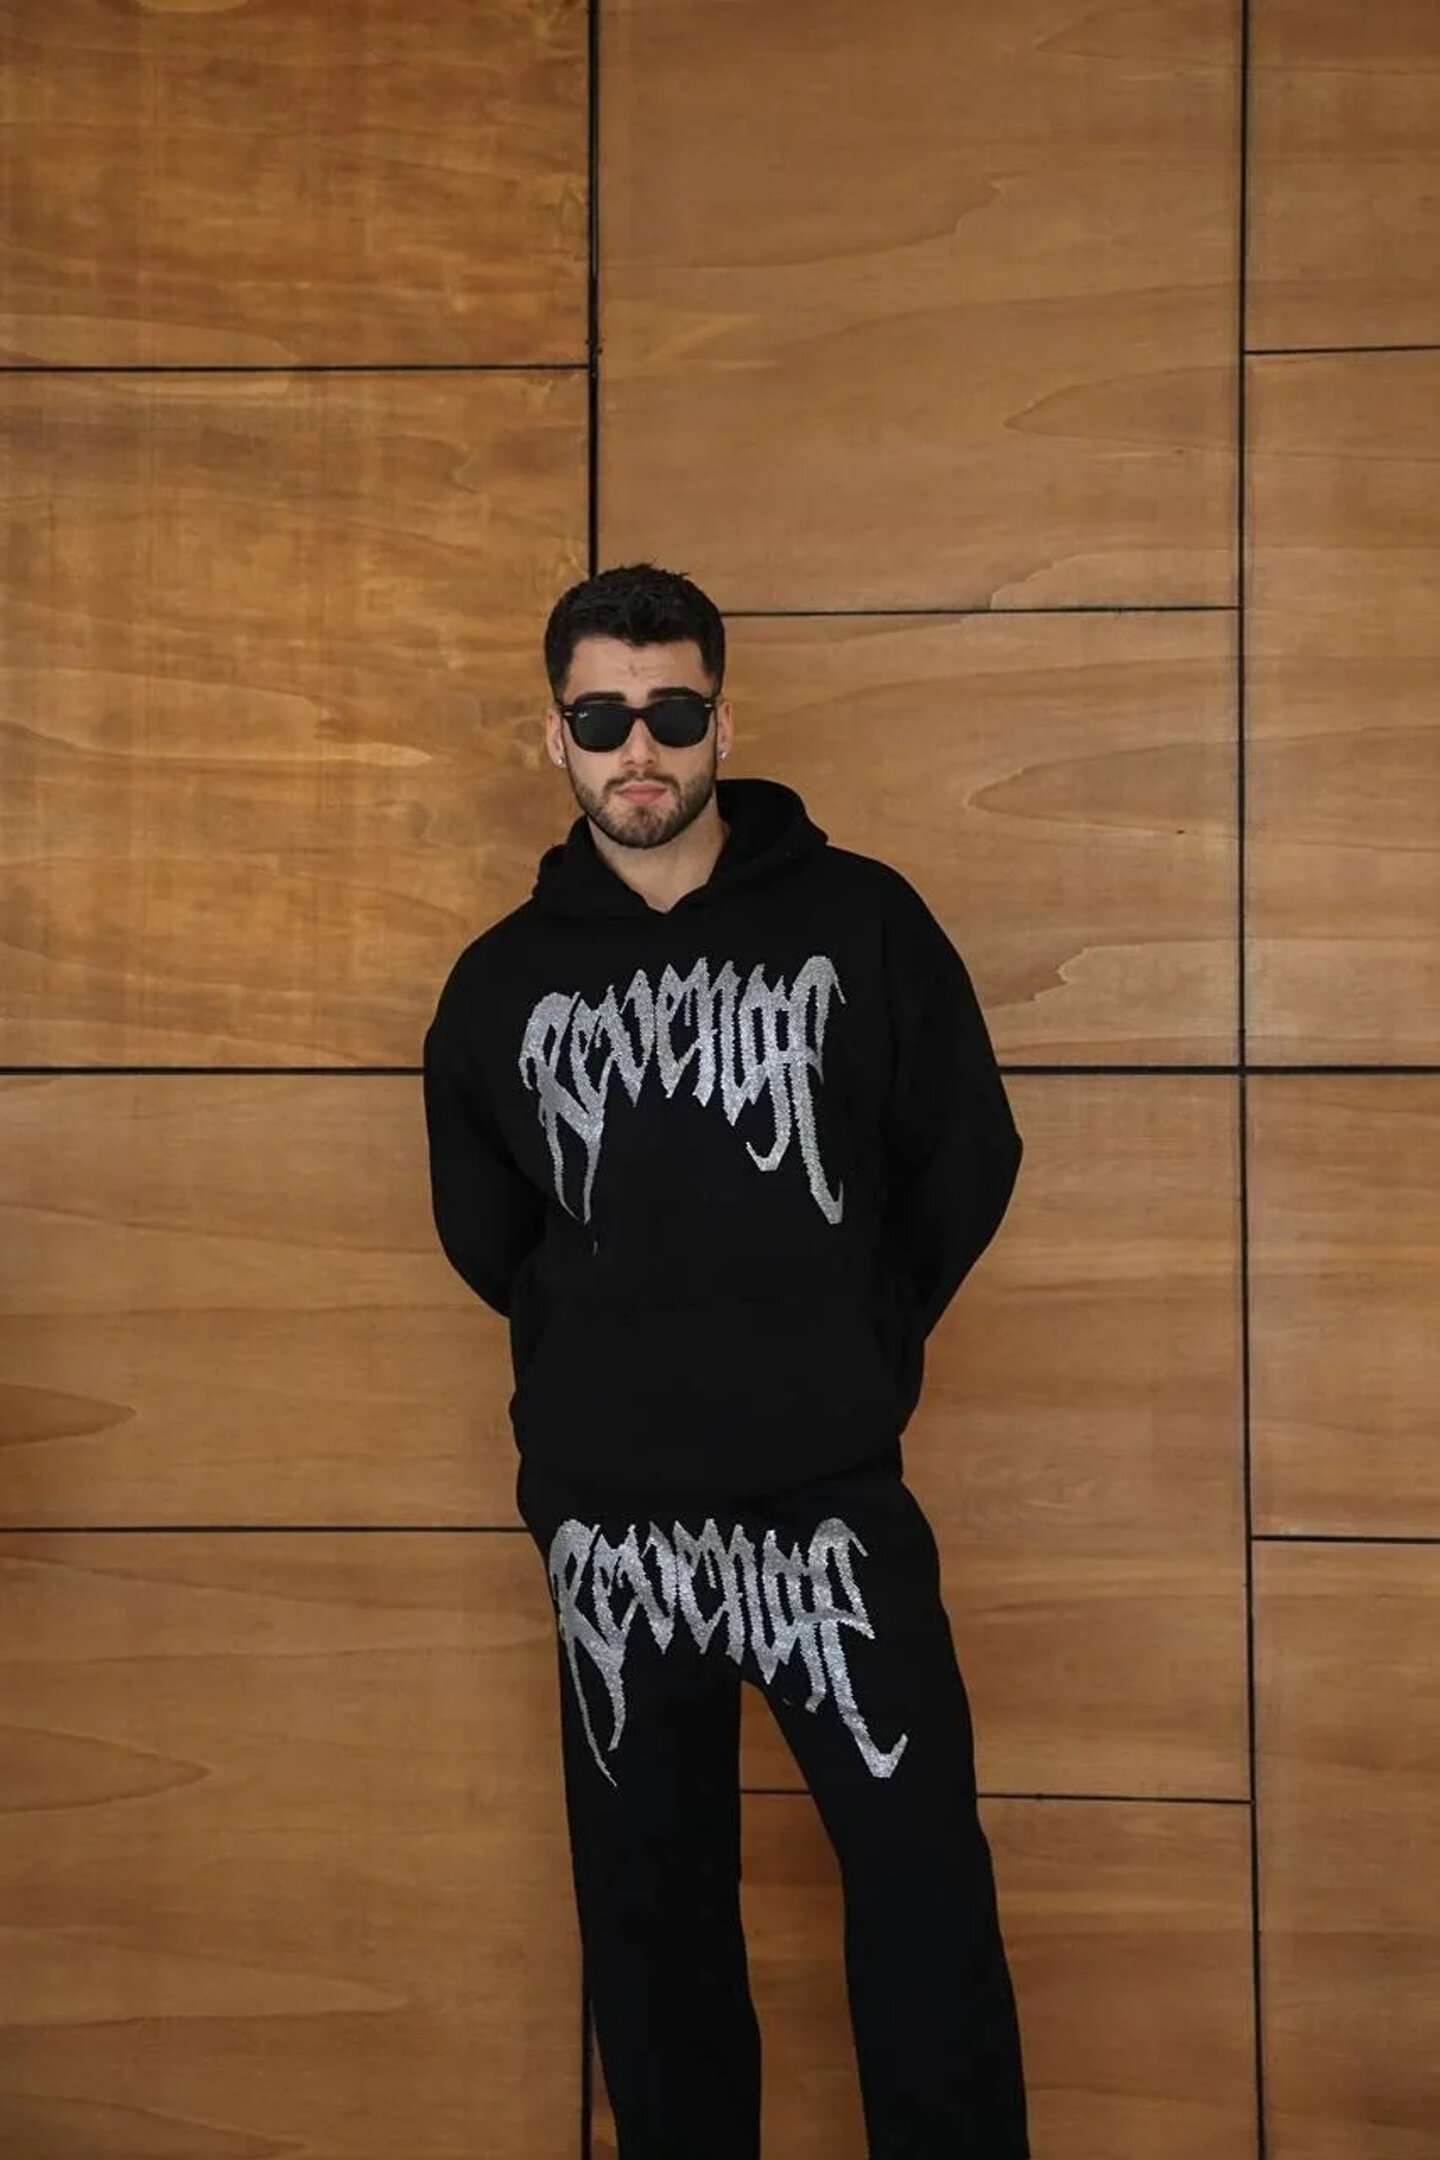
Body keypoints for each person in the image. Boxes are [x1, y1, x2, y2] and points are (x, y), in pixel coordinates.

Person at [422, 562, 1030, 2158]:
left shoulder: (863, 922)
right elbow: (489, 1236)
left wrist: (846, 1342)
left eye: (672, 712)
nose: (640, 747)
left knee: (922, 1886)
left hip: (828, 1509)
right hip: (615, 1530)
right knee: (653, 1925)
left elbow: (963, 1160)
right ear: (553, 734)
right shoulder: (499, 984)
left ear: (722, 723)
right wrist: (616, 1363)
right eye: (602, 717)